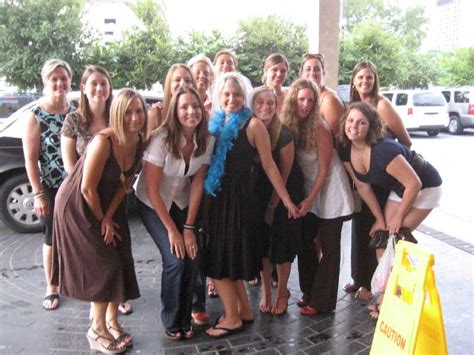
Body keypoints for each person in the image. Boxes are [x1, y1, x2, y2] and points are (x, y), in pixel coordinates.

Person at [51, 89, 146, 353]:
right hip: (78, 205)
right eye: (128, 112)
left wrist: (110, 214)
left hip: (108, 203)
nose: (135, 117)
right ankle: (96, 329)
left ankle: (113, 322)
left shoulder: (138, 141)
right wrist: (102, 219)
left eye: (139, 111)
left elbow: (125, 183)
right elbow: (86, 188)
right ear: (116, 113)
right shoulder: (104, 141)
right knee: (106, 263)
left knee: (122, 256)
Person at [203, 73, 298, 338]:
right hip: (219, 198)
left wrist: (286, 199)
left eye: (236, 94)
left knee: (218, 260)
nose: (231, 99)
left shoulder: (253, 125)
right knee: (226, 258)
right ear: (219, 97)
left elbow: (270, 165)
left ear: (244, 97)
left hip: (240, 201)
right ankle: (244, 310)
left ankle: (232, 318)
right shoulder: (216, 122)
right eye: (226, 94)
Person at [339, 101, 442, 318]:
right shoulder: (346, 148)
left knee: (398, 234)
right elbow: (363, 187)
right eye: (350, 121)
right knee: (382, 236)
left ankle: (393, 299)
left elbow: (415, 184)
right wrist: (379, 218)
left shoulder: (383, 150)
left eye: (361, 122)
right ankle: (387, 292)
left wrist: (399, 218)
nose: (354, 126)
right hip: (400, 187)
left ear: (371, 126)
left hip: (425, 186)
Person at [135, 87, 214, 340]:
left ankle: (185, 318)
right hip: (153, 202)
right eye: (184, 107)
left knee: (193, 255)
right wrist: (172, 230)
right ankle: (171, 319)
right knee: (175, 260)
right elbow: (151, 188)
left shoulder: (207, 139)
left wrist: (189, 228)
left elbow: (198, 183)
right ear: (175, 111)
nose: (191, 111)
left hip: (181, 201)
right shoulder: (162, 139)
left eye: (195, 106)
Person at [60, 65, 133, 317]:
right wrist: (94, 206)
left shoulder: (118, 116)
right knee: (100, 257)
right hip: (84, 197)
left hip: (113, 195)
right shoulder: (74, 120)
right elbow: (71, 166)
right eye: (94, 83)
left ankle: (116, 298)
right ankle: (99, 313)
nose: (100, 88)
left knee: (118, 251)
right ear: (83, 88)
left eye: (104, 83)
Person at [281, 79, 353, 315]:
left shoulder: (319, 127)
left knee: (330, 247)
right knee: (305, 242)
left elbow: (324, 170)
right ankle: (309, 291)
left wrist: (310, 200)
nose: (306, 105)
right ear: (293, 100)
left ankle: (322, 302)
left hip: (330, 188)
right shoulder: (290, 125)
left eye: (311, 100)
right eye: (301, 99)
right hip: (310, 189)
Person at [343, 60, 412, 301]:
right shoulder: (352, 107)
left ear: (375, 80)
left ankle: (377, 283)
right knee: (361, 227)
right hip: (363, 178)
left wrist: (387, 162)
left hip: (385, 180)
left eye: (369, 77)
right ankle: (360, 278)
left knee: (380, 229)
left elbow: (406, 142)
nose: (364, 82)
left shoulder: (382, 105)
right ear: (353, 81)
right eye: (360, 77)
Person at [22, 59, 76, 311]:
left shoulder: (75, 111)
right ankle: (52, 287)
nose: (59, 83)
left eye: (63, 78)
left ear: (70, 80)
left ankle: (79, 281)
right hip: (53, 187)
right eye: (54, 78)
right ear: (45, 82)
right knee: (52, 237)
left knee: (80, 235)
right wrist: (39, 194)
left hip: (77, 186)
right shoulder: (36, 116)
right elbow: (31, 160)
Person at [250, 86, 303, 316]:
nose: (265, 107)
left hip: (284, 192)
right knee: (262, 244)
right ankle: (266, 292)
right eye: (260, 102)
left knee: (281, 246)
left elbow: (283, 173)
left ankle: (282, 292)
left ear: (277, 105)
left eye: (270, 102)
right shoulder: (251, 128)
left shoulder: (284, 133)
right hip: (259, 194)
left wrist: (273, 205)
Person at [186, 54, 215, 326]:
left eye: (207, 72)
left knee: (208, 241)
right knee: (191, 238)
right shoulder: (184, 105)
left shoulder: (219, 103)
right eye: (199, 72)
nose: (203, 76)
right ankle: (196, 301)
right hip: (186, 186)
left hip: (214, 187)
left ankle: (213, 283)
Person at [299, 53, 345, 137]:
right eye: (308, 69)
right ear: (301, 72)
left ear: (323, 72)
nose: (312, 73)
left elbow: (339, 137)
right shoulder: (301, 96)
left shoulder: (329, 100)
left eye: (317, 69)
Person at [147, 64, 196, 137]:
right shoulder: (157, 113)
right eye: (177, 80)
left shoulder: (198, 114)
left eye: (187, 80)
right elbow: (146, 144)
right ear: (169, 85)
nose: (182, 84)